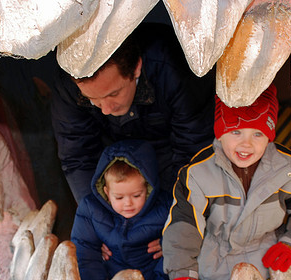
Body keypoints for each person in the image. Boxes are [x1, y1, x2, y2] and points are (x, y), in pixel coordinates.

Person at [162, 85, 291, 280]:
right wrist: (185, 275)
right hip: (215, 277)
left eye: (258, 134)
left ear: (270, 136)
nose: (246, 144)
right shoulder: (198, 173)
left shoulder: (287, 168)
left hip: (266, 271)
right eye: (236, 131)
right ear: (220, 132)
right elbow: (183, 227)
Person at [48, 23, 216, 204]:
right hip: (115, 169)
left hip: (172, 158)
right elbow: (78, 156)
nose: (106, 109)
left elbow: (193, 148)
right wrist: (97, 213)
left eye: (113, 94)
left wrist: (175, 210)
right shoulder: (69, 85)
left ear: (136, 67)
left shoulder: (173, 67)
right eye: (93, 99)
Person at [71, 140, 170, 280]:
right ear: (106, 192)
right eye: (119, 197)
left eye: (137, 195)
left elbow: (181, 241)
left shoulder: (165, 207)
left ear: (148, 188)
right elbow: (84, 251)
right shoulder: (91, 209)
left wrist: (165, 279)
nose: (128, 203)